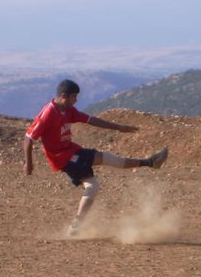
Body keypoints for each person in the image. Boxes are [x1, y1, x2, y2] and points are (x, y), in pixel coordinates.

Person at [24, 79, 168, 236]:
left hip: (72, 150)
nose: (76, 100)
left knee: (98, 175)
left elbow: (91, 120)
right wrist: (29, 163)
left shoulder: (67, 110)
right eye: (74, 97)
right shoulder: (48, 113)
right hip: (62, 158)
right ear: (64, 96)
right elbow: (28, 139)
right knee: (96, 179)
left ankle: (75, 228)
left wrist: (119, 127)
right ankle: (149, 162)